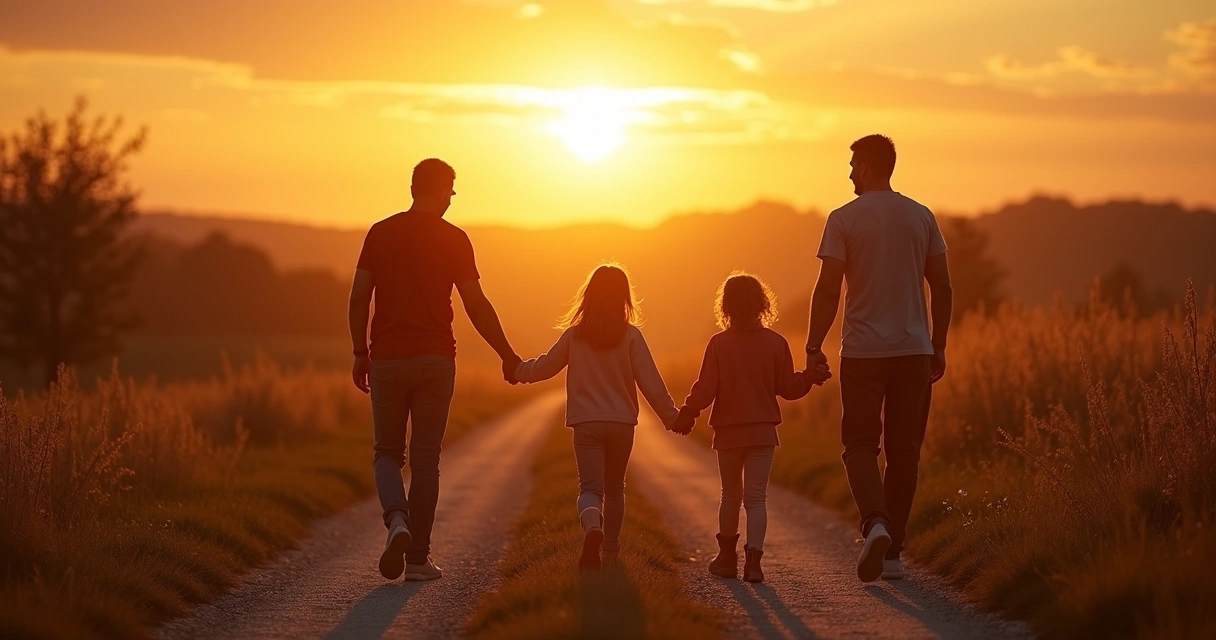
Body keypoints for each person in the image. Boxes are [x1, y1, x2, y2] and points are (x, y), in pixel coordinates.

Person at [348, 158, 523, 582]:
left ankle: (397, 521)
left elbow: (358, 298)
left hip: (388, 358)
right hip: (436, 360)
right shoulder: (455, 239)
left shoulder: (380, 233)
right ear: (443, 191)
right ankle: (418, 560)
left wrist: (359, 352)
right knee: (426, 460)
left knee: (387, 454)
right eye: (451, 192)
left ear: (413, 188)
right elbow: (475, 304)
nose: (451, 200)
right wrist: (507, 353)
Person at [804, 135, 953, 583]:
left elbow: (828, 290)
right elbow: (942, 287)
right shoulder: (922, 216)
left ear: (866, 166)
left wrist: (813, 346)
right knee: (905, 453)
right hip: (914, 352)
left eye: (853, 164)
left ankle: (876, 524)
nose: (850, 173)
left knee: (859, 445)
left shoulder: (843, 219)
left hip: (863, 353)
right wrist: (938, 344)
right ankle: (892, 556)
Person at [514, 264, 680, 569]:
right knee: (616, 489)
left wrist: (517, 371)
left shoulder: (574, 336)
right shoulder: (631, 336)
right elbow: (651, 383)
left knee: (590, 489)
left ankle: (593, 528)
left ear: (588, 296)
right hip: (622, 424)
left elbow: (545, 367)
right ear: (624, 298)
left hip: (586, 424)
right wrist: (672, 417)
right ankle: (611, 552)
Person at [671, 273, 831, 583]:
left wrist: (688, 413)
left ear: (725, 306)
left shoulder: (718, 344)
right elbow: (788, 389)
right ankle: (754, 563)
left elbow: (706, 388)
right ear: (762, 304)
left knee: (730, 496)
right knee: (756, 499)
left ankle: (726, 560)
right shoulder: (776, 343)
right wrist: (810, 377)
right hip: (762, 433)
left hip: (728, 433)